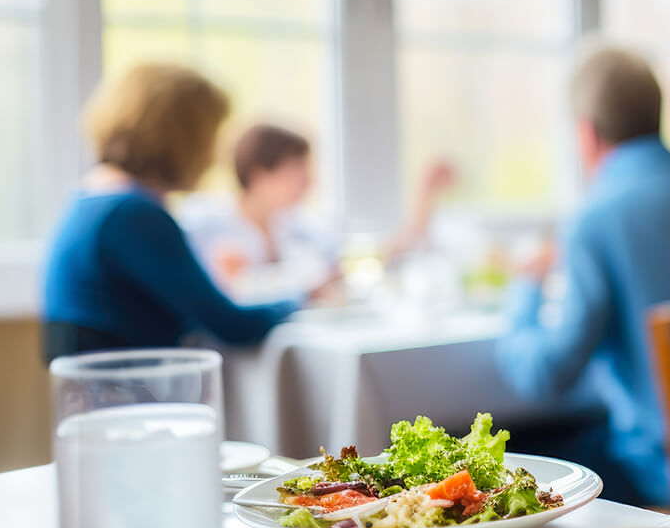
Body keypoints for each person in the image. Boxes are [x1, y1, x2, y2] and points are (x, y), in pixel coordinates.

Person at [498, 47, 670, 509]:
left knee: (516, 454)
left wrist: (525, 287)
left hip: (667, 476)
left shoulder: (594, 219)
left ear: (586, 133)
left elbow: (544, 377)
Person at [41, 64, 297, 363]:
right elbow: (232, 325)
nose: (215, 155)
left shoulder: (91, 197)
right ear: (184, 138)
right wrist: (299, 302)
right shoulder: (133, 214)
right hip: (128, 393)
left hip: (100, 392)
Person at [178, 123, 453, 304]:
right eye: (295, 170)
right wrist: (309, 288)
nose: (308, 182)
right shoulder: (206, 223)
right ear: (259, 173)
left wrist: (424, 196)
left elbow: (367, 256)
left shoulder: (298, 226)